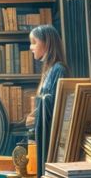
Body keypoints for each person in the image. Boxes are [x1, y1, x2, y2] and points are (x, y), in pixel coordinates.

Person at [27, 24, 67, 169]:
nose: (31, 47)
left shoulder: (58, 69)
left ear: (47, 43)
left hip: (51, 137)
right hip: (44, 133)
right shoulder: (50, 70)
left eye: (34, 42)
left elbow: (57, 106)